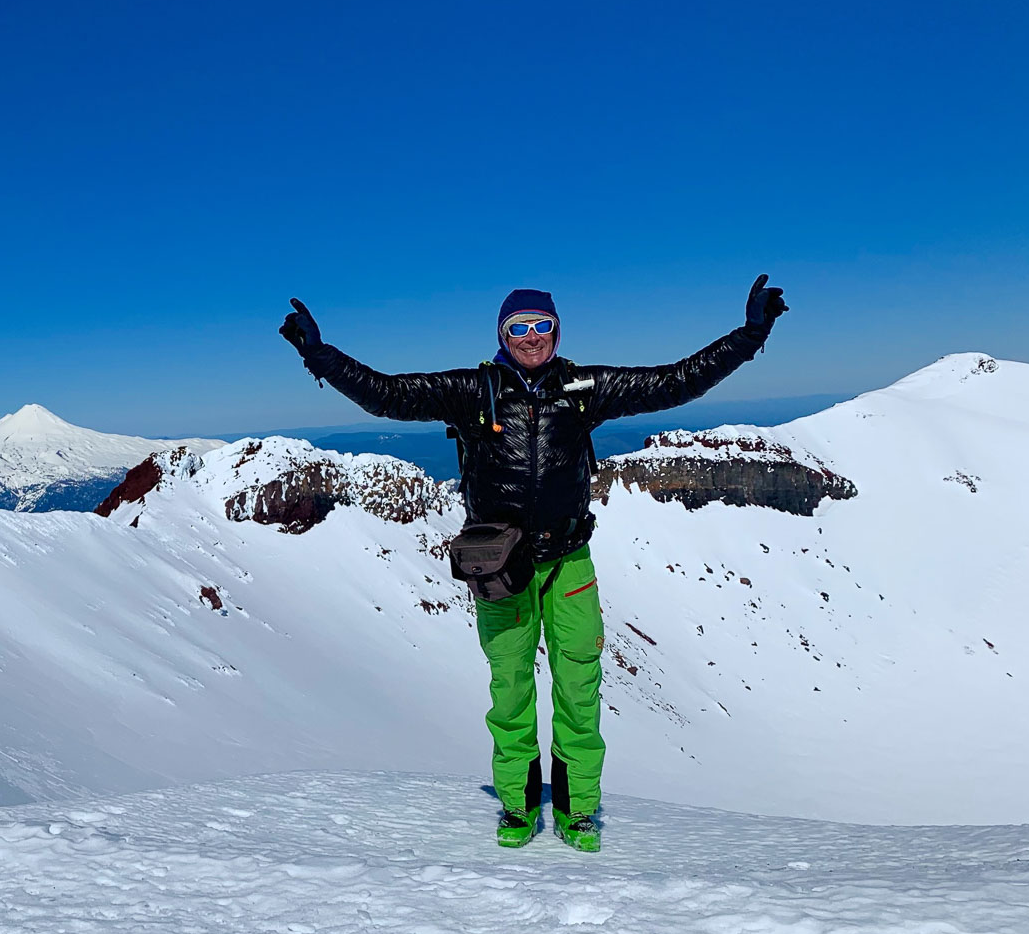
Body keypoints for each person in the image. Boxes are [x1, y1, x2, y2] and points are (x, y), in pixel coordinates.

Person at [278, 277, 787, 851]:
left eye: (541, 326)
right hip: (501, 568)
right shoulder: (473, 390)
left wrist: (750, 335)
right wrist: (318, 354)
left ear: (556, 330)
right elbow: (387, 395)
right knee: (512, 690)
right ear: (502, 335)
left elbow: (675, 382)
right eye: (518, 327)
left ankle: (577, 813)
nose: (531, 337)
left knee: (580, 690)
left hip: (569, 561)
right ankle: (519, 809)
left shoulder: (582, 386)